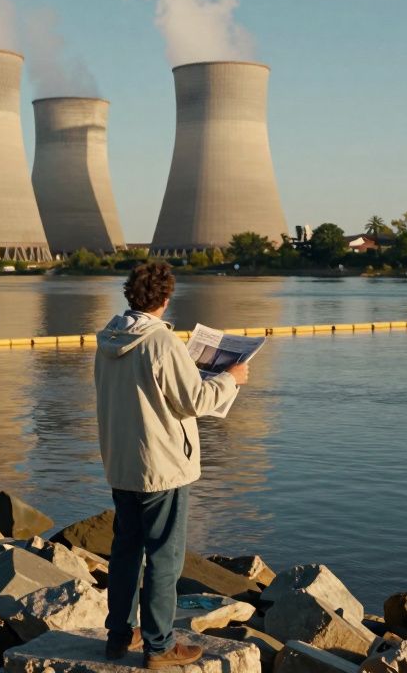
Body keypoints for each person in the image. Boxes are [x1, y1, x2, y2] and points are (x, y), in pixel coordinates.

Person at [94, 261, 249, 669]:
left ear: (131, 294)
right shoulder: (160, 342)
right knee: (164, 558)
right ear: (165, 298)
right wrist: (231, 378)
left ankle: (118, 636)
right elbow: (194, 401)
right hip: (161, 466)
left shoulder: (107, 338)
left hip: (122, 463)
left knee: (126, 551)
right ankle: (159, 647)